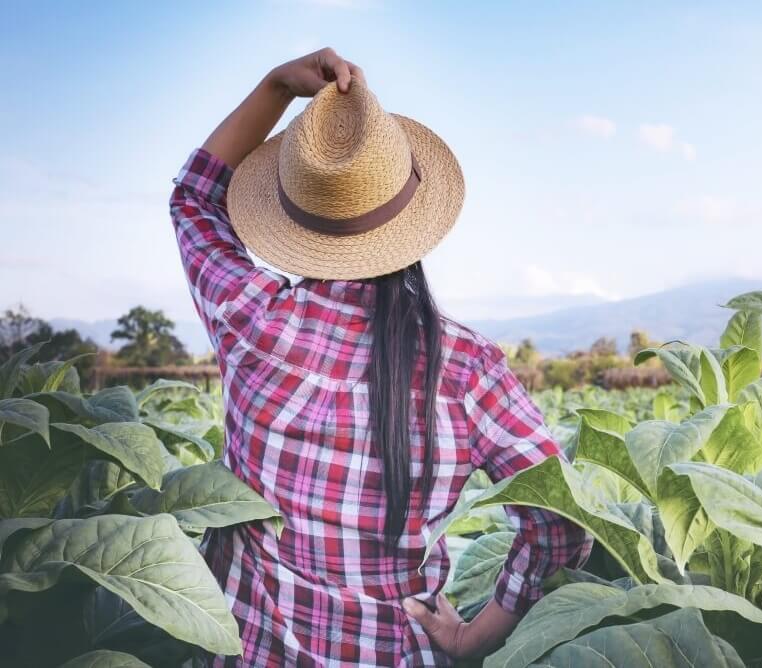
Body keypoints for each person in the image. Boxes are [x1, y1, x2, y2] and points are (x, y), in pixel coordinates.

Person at [170, 48, 592, 666]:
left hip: (250, 648)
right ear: (412, 218)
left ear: (292, 218)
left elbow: (194, 200)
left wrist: (277, 86)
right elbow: (562, 520)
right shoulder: (467, 368)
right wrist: (476, 636)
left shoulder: (252, 318)